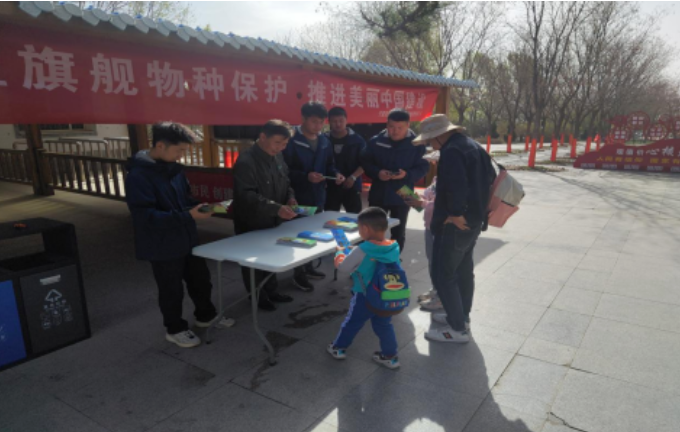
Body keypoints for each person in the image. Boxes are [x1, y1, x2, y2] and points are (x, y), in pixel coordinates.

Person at [125, 122, 232, 349]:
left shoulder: (174, 169)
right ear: (160, 146)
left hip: (187, 237)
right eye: (179, 150)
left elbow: (186, 199)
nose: (182, 155)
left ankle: (206, 315)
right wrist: (188, 215)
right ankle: (175, 329)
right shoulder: (138, 175)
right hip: (161, 244)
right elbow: (145, 217)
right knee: (171, 289)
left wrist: (202, 207)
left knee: (200, 280)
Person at [412, 114, 495, 344]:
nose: (430, 144)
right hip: (474, 220)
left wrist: (455, 214)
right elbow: (491, 177)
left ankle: (457, 329)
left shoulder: (452, 151)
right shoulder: (472, 145)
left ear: (440, 135)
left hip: (456, 223)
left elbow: (455, 186)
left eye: (430, 139)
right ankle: (460, 317)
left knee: (444, 274)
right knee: (463, 271)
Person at [233, 120, 298, 311]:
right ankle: (257, 296)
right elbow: (246, 195)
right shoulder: (246, 161)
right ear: (263, 137)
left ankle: (272, 290)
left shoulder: (277, 156)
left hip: (274, 218)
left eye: (285, 144)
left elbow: (286, 181)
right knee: (253, 261)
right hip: (252, 220)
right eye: (277, 143)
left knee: (271, 255)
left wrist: (290, 197)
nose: (281, 148)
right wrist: (276, 208)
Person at [326, 207, 401, 369]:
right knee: (384, 325)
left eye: (359, 228)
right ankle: (391, 357)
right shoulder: (393, 246)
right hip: (386, 293)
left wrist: (339, 254)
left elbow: (344, 267)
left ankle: (338, 348)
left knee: (353, 322)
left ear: (365, 229)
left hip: (365, 295)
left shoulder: (362, 249)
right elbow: (375, 257)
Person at [283, 102, 345, 291]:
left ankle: (308, 266)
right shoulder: (291, 140)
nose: (318, 126)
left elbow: (329, 165)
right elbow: (284, 170)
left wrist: (336, 174)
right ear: (303, 119)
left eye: (321, 122)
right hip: (297, 196)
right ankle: (298, 273)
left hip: (318, 195)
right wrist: (305, 176)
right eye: (314, 122)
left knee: (312, 233)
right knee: (298, 234)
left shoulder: (324, 141)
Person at [361, 108, 429, 253]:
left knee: (399, 230)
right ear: (387, 124)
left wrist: (407, 175)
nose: (395, 131)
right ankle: (372, 258)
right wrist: (377, 173)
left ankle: (393, 259)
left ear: (408, 125)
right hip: (380, 189)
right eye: (391, 127)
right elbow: (365, 162)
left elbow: (423, 167)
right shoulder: (376, 141)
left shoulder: (417, 144)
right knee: (373, 228)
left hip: (405, 190)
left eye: (400, 127)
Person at [324, 106, 366, 214]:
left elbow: (365, 163)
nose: (338, 124)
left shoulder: (357, 140)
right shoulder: (323, 140)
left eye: (341, 121)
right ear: (328, 122)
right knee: (329, 217)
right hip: (330, 186)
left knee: (354, 218)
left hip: (352, 185)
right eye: (334, 121)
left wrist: (353, 177)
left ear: (346, 120)